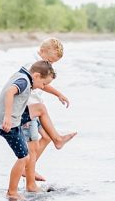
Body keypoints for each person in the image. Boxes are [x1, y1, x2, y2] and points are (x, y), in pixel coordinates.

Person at [0, 60, 56, 199]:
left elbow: (18, 98)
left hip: (16, 116)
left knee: (40, 108)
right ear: (37, 75)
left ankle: (56, 138)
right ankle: (12, 192)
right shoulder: (24, 81)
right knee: (24, 157)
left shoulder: (23, 74)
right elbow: (10, 92)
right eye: (44, 84)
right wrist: (8, 117)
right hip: (9, 124)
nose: (43, 87)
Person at [21, 38, 78, 181]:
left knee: (46, 137)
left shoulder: (40, 62)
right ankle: (27, 173)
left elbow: (43, 84)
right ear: (42, 51)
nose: (51, 65)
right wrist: (58, 93)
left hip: (36, 106)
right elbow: (41, 84)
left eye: (53, 63)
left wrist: (58, 94)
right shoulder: (32, 64)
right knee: (32, 145)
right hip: (28, 109)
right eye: (51, 61)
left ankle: (27, 169)